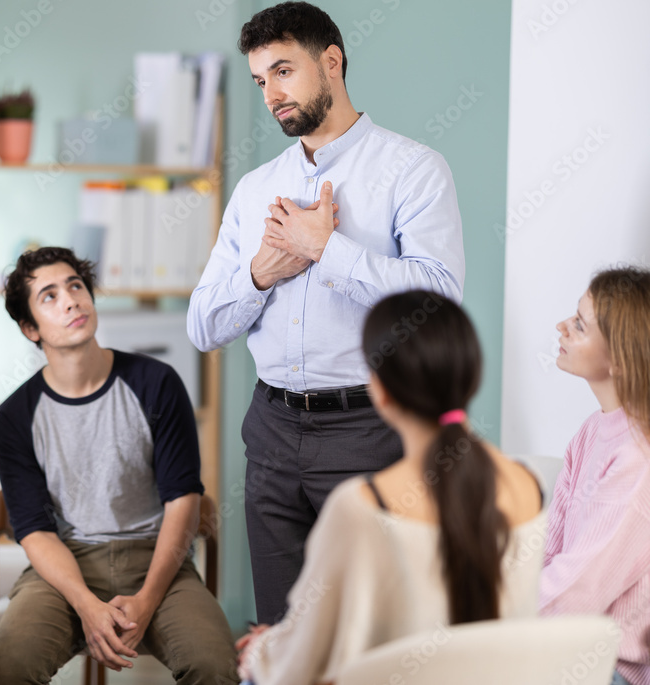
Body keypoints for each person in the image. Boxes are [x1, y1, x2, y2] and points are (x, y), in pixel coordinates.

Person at [187, 1, 466, 624]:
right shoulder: (255, 188)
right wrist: (263, 272)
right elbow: (202, 325)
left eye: (284, 71)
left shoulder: (412, 170)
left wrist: (326, 250)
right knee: (281, 636)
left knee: (371, 633)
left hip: (370, 432)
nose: (271, 95)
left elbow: (441, 300)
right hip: (272, 431)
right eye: (261, 80)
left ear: (332, 62)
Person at [236, 290, 545, 684]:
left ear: (378, 391)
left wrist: (265, 647)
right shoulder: (527, 485)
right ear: (472, 375)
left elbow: (301, 666)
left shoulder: (362, 505)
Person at [0, 247, 238, 684]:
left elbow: (184, 502)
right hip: (66, 565)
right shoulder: (15, 417)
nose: (70, 300)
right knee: (12, 661)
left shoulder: (156, 383)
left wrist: (146, 600)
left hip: (157, 557)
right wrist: (85, 604)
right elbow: (35, 532)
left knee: (214, 665)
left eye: (76, 286)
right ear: (30, 328)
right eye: (49, 296)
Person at [540, 267, 650, 685]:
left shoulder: (638, 460)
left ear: (620, 359)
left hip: (607, 668)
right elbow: (553, 548)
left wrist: (493, 621)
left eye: (579, 325)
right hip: (567, 645)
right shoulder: (592, 430)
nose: (561, 328)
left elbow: (579, 591)